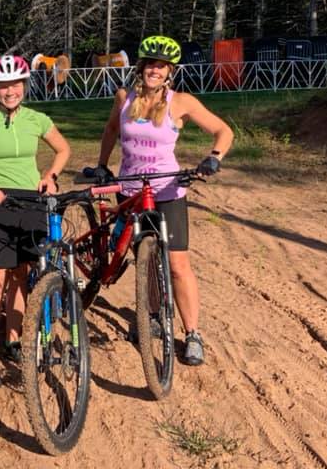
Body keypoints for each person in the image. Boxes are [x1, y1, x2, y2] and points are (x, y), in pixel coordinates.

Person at [94, 35, 233, 366]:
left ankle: (192, 333)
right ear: (140, 68)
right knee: (143, 255)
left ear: (169, 71)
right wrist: (101, 165)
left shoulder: (180, 101)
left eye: (161, 66)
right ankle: (153, 316)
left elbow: (223, 131)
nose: (154, 71)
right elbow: (111, 130)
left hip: (167, 190)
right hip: (130, 191)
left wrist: (214, 158)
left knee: (177, 265)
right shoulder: (124, 97)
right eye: (149, 65)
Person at [0, 55, 71, 390]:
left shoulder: (37, 119)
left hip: (30, 201)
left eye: (15, 85)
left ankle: (13, 340)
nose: (9, 91)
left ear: (24, 86)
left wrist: (50, 176)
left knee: (23, 275)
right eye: (3, 86)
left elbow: (63, 149)